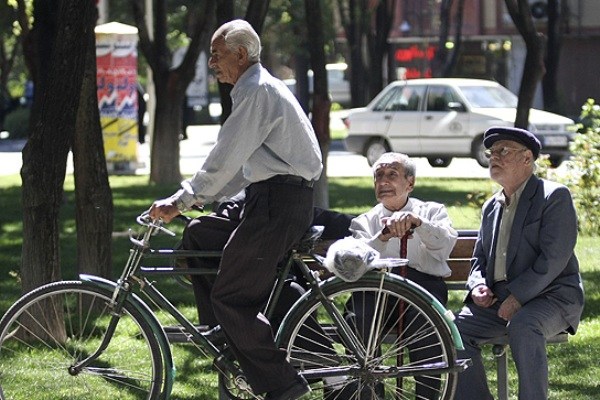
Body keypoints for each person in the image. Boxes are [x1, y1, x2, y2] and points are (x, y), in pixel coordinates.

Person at [149, 19, 322, 400]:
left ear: (241, 54)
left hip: (280, 203)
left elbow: (223, 158)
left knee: (230, 297)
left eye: (216, 54)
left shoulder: (256, 91)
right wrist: (197, 202)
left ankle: (283, 385)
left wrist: (182, 200)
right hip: (266, 196)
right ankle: (229, 345)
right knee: (199, 236)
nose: (212, 63)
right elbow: (238, 171)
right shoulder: (250, 89)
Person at [454, 127, 584, 400]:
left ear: (527, 158)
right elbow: (479, 258)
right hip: (499, 301)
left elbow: (554, 258)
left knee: (524, 325)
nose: (494, 157)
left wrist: (518, 296)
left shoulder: (553, 196)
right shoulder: (491, 206)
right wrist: (478, 285)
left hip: (553, 296)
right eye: (492, 152)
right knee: (452, 331)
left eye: (503, 151)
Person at [339, 152, 458, 399]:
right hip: (378, 287)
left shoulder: (432, 211)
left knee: (425, 325)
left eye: (392, 175)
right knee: (357, 318)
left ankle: (428, 394)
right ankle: (371, 393)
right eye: (378, 176)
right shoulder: (364, 221)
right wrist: (382, 236)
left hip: (422, 285)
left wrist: (419, 223)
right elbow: (356, 263)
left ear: (410, 183)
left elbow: (445, 245)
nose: (383, 182)